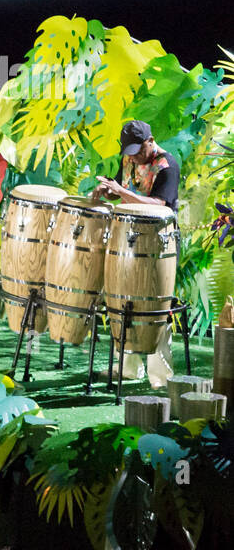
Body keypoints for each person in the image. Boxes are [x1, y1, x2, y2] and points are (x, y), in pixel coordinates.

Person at [92, 119, 181, 389]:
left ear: (150, 141)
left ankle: (161, 376)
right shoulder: (130, 159)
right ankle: (128, 368)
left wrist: (120, 192)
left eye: (138, 150)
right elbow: (125, 192)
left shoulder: (167, 166)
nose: (133, 156)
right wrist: (110, 191)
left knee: (156, 306)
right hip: (128, 237)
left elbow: (158, 204)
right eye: (129, 150)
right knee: (123, 300)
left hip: (157, 241)